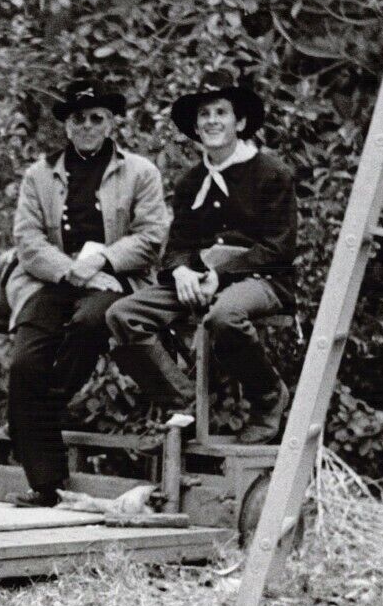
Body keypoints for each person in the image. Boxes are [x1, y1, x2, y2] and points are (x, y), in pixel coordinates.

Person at [106, 70, 297, 443]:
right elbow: (177, 245)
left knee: (224, 316)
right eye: (204, 114)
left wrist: (221, 275)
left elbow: (279, 248)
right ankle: (185, 405)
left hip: (263, 279)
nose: (211, 121)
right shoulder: (191, 181)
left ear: (239, 121)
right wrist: (180, 272)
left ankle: (269, 397)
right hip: (200, 277)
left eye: (220, 112)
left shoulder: (271, 173)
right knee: (123, 315)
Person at [3, 81, 169, 507]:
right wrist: (73, 271)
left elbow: (151, 236)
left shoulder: (140, 172)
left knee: (89, 322)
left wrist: (103, 261)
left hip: (116, 281)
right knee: (25, 362)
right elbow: (28, 241)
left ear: (112, 123)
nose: (88, 126)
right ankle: (46, 484)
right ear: (66, 125)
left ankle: (36, 420)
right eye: (79, 119)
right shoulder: (39, 175)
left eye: (98, 118)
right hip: (54, 281)